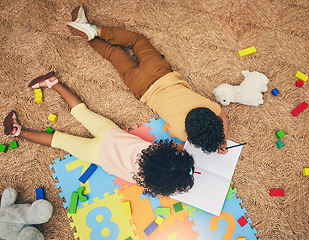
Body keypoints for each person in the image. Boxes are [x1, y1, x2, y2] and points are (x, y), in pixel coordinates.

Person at [66, 5, 229, 154]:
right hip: (140, 87)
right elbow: (175, 132)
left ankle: (95, 30)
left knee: (136, 40)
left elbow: (222, 115)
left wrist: (224, 139)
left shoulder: (209, 107)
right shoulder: (181, 133)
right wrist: (216, 144)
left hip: (160, 72)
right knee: (113, 54)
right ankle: (89, 35)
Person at [3, 71, 195, 197]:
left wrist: (182, 161)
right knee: (59, 140)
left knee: (82, 112)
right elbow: (167, 185)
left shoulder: (155, 150)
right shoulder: (149, 183)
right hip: (96, 153)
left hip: (110, 133)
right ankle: (17, 131)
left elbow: (176, 152)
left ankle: (52, 82)